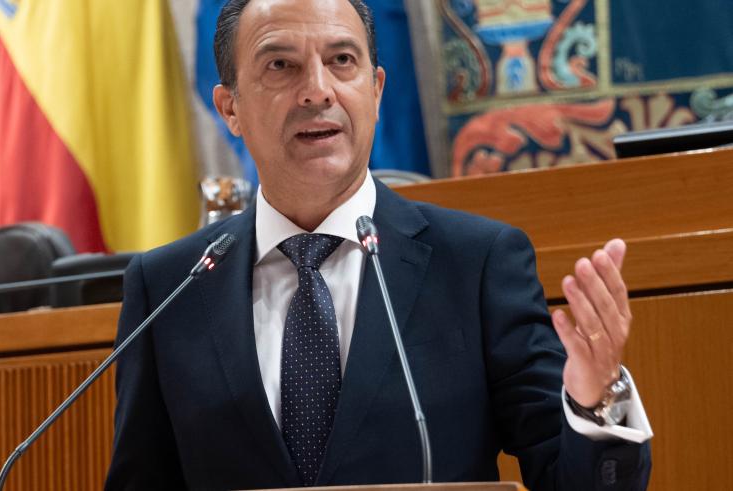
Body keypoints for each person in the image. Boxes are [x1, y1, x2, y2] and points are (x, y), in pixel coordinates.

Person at [106, 0, 652, 489]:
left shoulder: (476, 262)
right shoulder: (168, 286)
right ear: (230, 108)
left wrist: (594, 400)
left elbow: (567, 476)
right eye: (281, 65)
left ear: (376, 89)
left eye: (342, 61)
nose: (318, 89)